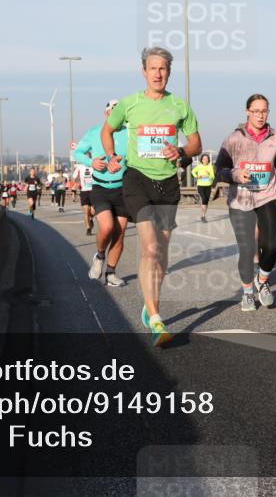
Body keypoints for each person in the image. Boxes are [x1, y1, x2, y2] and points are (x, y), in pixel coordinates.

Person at [101, 47, 201, 347]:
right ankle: (156, 319)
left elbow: (196, 143)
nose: (158, 73)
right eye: (153, 68)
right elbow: (107, 130)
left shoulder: (180, 106)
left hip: (168, 183)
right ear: (144, 71)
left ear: (169, 72)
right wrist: (112, 156)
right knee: (150, 246)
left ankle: (150, 304)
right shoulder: (129, 104)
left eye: (163, 68)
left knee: (162, 251)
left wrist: (180, 150)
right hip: (137, 179)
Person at [215, 94, 276, 311]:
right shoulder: (233, 139)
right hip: (241, 199)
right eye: (255, 111)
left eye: (264, 111)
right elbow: (219, 170)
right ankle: (247, 292)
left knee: (271, 246)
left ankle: (262, 280)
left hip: (267, 194)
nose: (260, 115)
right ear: (247, 112)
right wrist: (236, 175)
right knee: (247, 249)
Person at [73, 100, 130, 286]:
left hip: (123, 188)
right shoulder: (93, 132)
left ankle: (111, 274)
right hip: (100, 188)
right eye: (112, 112)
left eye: (119, 112)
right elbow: (78, 153)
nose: (116, 116)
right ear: (106, 114)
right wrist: (91, 162)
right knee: (106, 228)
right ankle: (99, 256)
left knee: (119, 234)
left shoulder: (129, 132)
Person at [72, 159, 96, 235]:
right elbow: (74, 177)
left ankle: (91, 218)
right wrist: (77, 184)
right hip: (84, 191)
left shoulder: (94, 165)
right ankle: (88, 229)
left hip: (93, 191)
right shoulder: (79, 166)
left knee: (93, 211)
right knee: (86, 212)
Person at [190, 154, 216, 223]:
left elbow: (213, 176)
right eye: (204, 159)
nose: (205, 160)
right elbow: (192, 171)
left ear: (208, 160)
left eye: (207, 159)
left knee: (206, 201)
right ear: (201, 160)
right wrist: (197, 176)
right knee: (204, 199)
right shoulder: (199, 166)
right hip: (200, 185)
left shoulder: (210, 167)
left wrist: (209, 174)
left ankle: (203, 216)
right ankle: (203, 215)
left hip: (208, 185)